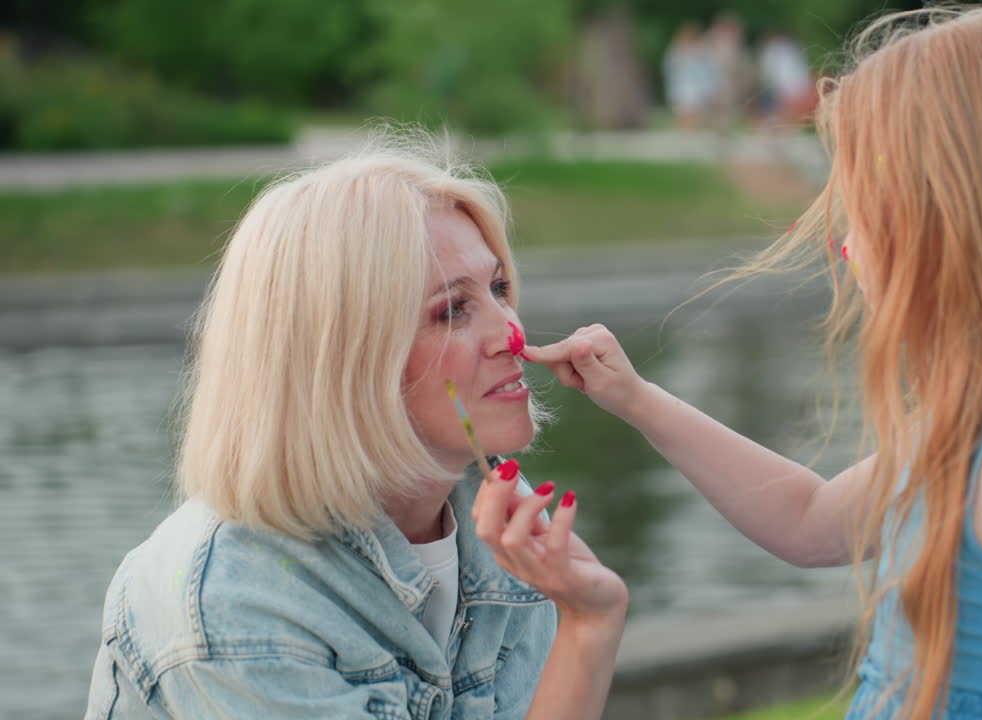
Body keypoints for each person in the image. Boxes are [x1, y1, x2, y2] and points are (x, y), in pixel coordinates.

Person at [525, 6, 982, 720]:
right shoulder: (963, 434)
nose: (846, 249)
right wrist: (636, 398)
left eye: (861, 214)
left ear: (941, 226)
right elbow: (808, 519)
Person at [84, 135, 627, 720]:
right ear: (343, 360)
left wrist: (590, 624)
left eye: (498, 288)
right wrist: (588, 631)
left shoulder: (507, 524)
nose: (514, 334)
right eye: (452, 309)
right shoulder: (235, 596)